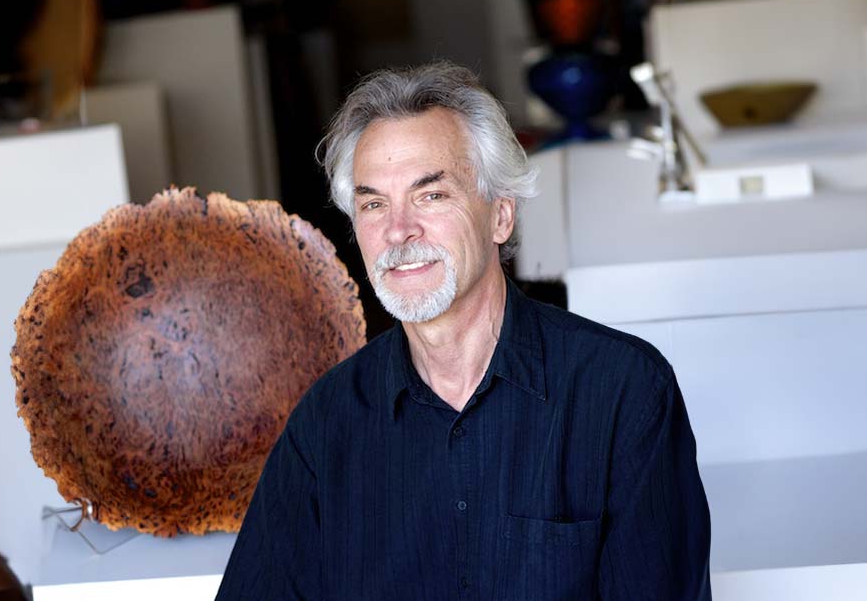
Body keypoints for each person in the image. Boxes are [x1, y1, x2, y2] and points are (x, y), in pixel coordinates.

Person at [215, 61, 711, 601]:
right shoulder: (326, 423)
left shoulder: (623, 392)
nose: (398, 230)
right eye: (374, 203)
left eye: (431, 195)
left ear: (501, 216)